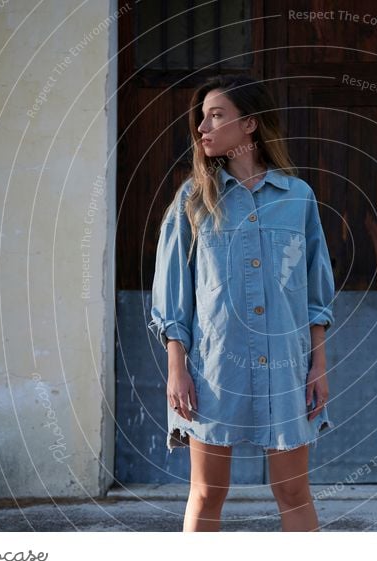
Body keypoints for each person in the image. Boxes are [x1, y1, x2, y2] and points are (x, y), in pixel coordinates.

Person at [149, 73, 336, 532]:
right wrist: (177, 368)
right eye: (201, 118)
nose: (202, 128)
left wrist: (318, 365)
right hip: (213, 370)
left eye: (216, 116)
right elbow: (173, 293)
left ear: (249, 124)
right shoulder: (192, 201)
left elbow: (316, 291)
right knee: (208, 492)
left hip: (286, 367)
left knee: (293, 492)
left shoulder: (298, 199)